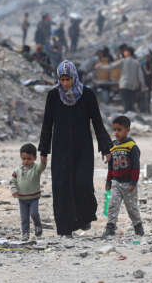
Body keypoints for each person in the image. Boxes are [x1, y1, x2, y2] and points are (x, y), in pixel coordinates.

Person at [39, 61, 112, 237]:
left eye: (68, 79)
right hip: (60, 148)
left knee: (83, 184)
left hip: (83, 148)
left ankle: (84, 218)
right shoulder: (53, 96)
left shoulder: (87, 95)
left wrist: (105, 147)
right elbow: (47, 124)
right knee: (61, 187)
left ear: (74, 77)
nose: (65, 83)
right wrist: (43, 150)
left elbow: (97, 122)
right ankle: (65, 229)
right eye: (62, 79)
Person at [104, 115, 144, 237]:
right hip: (116, 182)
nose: (116, 133)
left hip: (128, 183)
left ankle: (138, 226)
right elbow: (110, 166)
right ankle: (110, 227)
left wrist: (133, 182)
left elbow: (136, 167)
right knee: (112, 205)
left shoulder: (132, 146)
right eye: (114, 130)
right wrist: (108, 181)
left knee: (131, 208)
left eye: (119, 130)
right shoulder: (113, 145)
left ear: (127, 130)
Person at [10, 143, 45, 240]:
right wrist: (14, 190)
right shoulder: (17, 170)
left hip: (34, 198)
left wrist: (44, 160)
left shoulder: (36, 169)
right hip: (22, 199)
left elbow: (42, 166)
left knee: (34, 214)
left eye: (29, 159)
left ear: (34, 158)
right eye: (23, 158)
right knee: (24, 218)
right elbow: (12, 181)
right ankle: (25, 234)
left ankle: (38, 225)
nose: (26, 161)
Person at [117, 44, 142, 113]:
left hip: (124, 84)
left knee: (126, 103)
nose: (123, 53)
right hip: (133, 86)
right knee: (131, 102)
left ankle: (127, 117)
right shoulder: (136, 62)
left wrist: (100, 67)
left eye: (125, 51)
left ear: (128, 52)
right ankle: (131, 116)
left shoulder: (122, 60)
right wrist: (143, 85)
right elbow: (140, 76)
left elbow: (112, 66)